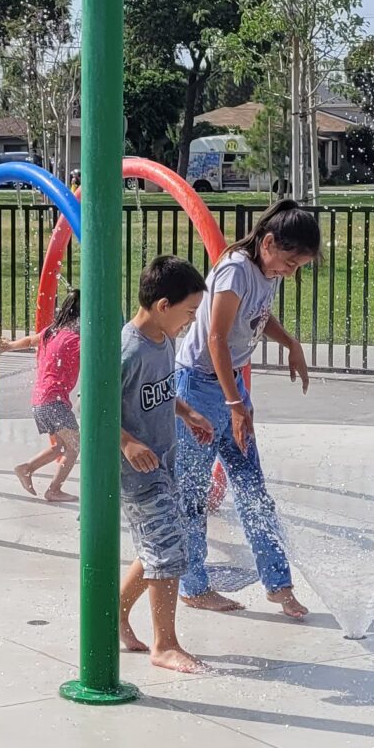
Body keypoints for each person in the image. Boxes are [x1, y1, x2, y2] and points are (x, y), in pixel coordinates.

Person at [173, 197, 319, 620]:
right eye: (290, 263)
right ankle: (193, 586)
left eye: (297, 268)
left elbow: (256, 317)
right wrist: (236, 406)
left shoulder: (264, 270)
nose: (290, 272)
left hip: (230, 386)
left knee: (253, 490)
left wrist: (290, 342)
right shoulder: (236, 268)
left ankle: (278, 584)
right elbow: (217, 338)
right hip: (199, 388)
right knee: (193, 495)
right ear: (269, 242)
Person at [116, 258, 217, 674]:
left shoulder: (163, 338)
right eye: (190, 312)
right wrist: (126, 443)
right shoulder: (129, 349)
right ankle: (165, 644)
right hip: (137, 474)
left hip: (163, 465)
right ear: (162, 305)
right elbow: (87, 403)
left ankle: (113, 614)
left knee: (162, 548)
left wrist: (187, 412)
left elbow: (159, 392)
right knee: (167, 551)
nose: (192, 322)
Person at [0, 288, 80, 502]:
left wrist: (8, 346)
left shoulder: (51, 332)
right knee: (74, 447)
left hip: (40, 400)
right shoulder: (76, 340)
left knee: (63, 446)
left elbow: (29, 341)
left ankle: (27, 468)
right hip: (54, 401)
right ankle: (53, 490)